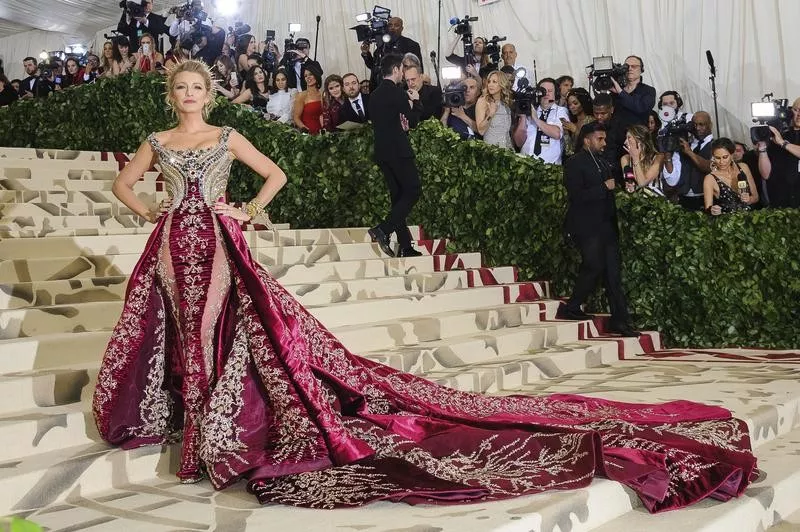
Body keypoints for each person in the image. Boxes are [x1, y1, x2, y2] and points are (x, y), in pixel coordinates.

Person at [94, 61, 756, 511]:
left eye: (194, 89)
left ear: (207, 95)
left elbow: (275, 178)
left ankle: (212, 432)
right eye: (179, 88)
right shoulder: (156, 139)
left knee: (216, 327)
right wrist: (147, 209)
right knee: (173, 327)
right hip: (168, 243)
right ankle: (186, 419)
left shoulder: (227, 134)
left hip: (215, 240)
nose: (187, 96)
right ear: (170, 95)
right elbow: (124, 183)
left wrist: (242, 209)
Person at [558, 121, 638, 337]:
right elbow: (576, 195)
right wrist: (603, 188)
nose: (604, 143)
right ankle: (573, 306)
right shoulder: (575, 163)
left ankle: (620, 321)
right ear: (587, 140)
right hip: (586, 225)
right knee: (593, 265)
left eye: (604, 139)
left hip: (606, 224)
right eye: (599, 139)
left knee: (613, 273)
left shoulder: (602, 162)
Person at [367, 54, 422, 258]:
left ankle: (405, 246)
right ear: (397, 69)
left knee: (398, 196)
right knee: (413, 190)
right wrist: (415, 102)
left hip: (382, 152)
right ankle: (383, 229)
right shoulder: (397, 93)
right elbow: (413, 122)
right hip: (399, 150)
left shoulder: (374, 95)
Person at [757, 100, 800, 208]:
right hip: (779, 201)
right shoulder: (778, 134)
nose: (799, 115)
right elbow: (766, 174)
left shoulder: (780, 139)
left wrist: (782, 143)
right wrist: (762, 148)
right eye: (796, 110)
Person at [517, 78, 569, 163]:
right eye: (543, 91)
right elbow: (519, 142)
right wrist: (523, 117)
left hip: (550, 169)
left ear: (556, 94)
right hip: (525, 165)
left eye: (550, 91)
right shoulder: (530, 110)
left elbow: (557, 134)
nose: (546, 94)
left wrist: (536, 119)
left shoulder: (561, 111)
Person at [361, 17, 422, 89]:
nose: (392, 28)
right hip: (379, 88)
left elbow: (418, 69)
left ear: (402, 28)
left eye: (396, 25)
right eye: (390, 25)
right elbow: (373, 66)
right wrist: (366, 53)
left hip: (402, 88)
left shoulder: (411, 45)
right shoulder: (382, 45)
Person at [703, 138, 759, 214]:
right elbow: (708, 209)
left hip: (749, 220)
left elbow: (756, 197)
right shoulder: (710, 179)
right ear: (713, 157)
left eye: (725, 157)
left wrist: (749, 199)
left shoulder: (743, 167)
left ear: (732, 155)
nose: (721, 162)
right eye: (717, 158)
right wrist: (712, 210)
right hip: (728, 223)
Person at [610, 55, 656, 128]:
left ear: (641, 69)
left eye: (634, 66)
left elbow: (640, 108)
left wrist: (620, 92)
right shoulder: (616, 90)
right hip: (616, 135)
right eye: (626, 67)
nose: (630, 69)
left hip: (637, 136)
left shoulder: (649, 90)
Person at [620, 125, 665, 195]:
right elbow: (629, 185)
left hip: (655, 200)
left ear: (640, 140)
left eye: (629, 138)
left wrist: (635, 158)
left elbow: (642, 183)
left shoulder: (658, 158)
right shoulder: (625, 159)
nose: (625, 142)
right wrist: (629, 188)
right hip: (636, 200)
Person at [475, 70, 513, 149]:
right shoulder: (483, 101)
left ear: (502, 84)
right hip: (492, 151)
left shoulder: (506, 103)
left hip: (507, 151)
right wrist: (491, 114)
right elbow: (481, 131)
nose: (490, 85)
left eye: (494, 82)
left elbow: (506, 133)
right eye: (489, 82)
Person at [561, 88, 594, 157]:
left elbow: (592, 145)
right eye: (569, 105)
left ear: (583, 102)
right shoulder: (572, 122)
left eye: (575, 103)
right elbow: (569, 151)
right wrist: (566, 134)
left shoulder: (592, 121)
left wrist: (576, 131)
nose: (572, 107)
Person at [292, 63, 323, 134]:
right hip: (308, 136)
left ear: (316, 75)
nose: (308, 77)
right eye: (305, 76)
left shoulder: (323, 94)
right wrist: (305, 130)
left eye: (311, 74)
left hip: (324, 134)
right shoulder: (301, 95)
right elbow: (296, 117)